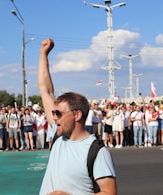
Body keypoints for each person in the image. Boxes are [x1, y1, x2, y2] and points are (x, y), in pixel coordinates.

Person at [38, 38, 116, 195]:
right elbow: (45, 90)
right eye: (54, 113)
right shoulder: (58, 136)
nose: (54, 117)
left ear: (77, 115)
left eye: (59, 113)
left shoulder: (96, 151)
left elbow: (110, 192)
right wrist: (43, 55)